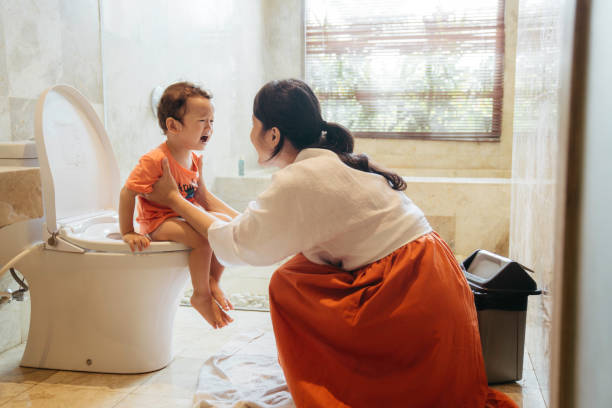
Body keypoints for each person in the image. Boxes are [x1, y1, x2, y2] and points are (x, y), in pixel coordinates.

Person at [144, 79, 518, 408]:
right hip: (432, 281)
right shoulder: (330, 163)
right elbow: (250, 228)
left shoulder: (301, 179)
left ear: (273, 135)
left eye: (253, 125)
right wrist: (204, 200)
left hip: (410, 294)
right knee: (298, 269)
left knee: (287, 281)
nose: (250, 133)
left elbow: (241, 244)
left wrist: (176, 201)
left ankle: (340, 380)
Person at [119, 81, 237, 329]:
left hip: (182, 218)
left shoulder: (194, 159)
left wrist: (238, 220)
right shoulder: (156, 160)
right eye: (202, 121)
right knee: (202, 239)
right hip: (158, 222)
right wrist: (128, 232)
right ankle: (200, 295)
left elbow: (203, 198)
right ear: (173, 126)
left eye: (212, 121)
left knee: (222, 227)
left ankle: (213, 280)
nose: (209, 128)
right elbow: (127, 193)